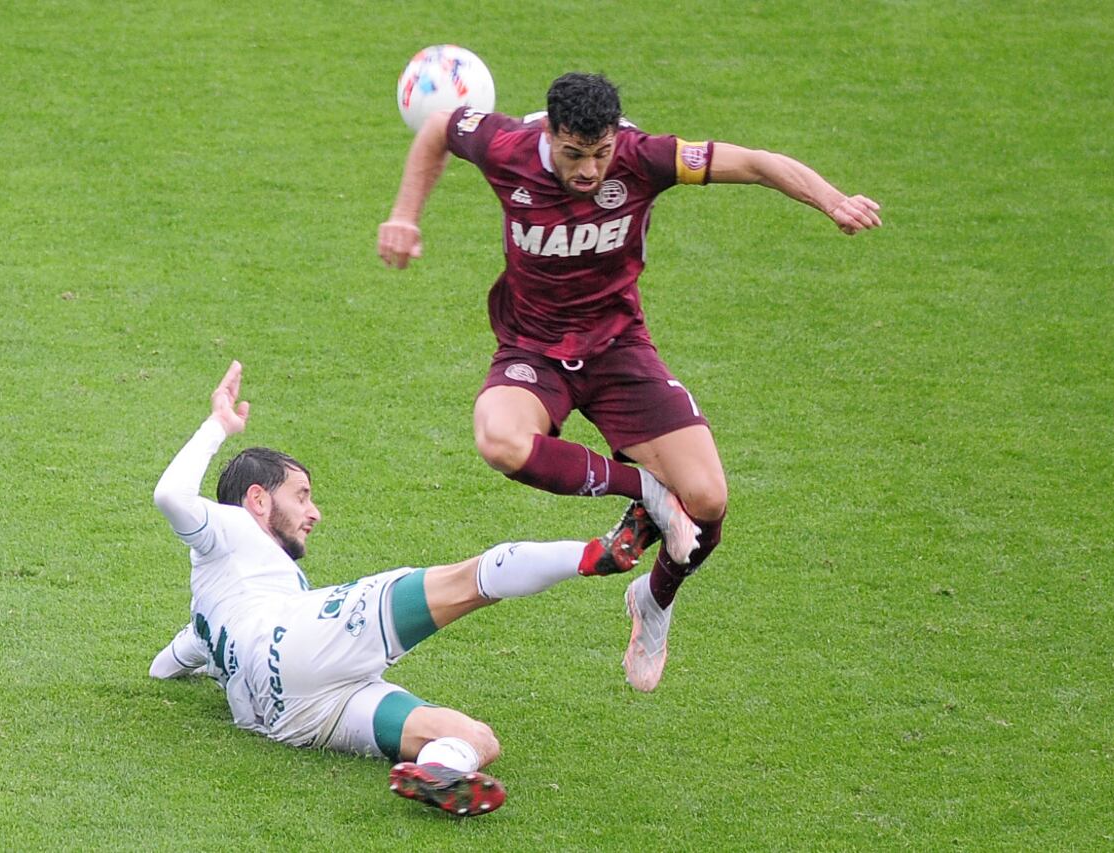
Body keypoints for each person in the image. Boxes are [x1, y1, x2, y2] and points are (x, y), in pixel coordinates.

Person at [376, 72, 882, 692]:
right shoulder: (507, 145)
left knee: (710, 501)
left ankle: (653, 603)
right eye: (573, 155)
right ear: (549, 135)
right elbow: (436, 127)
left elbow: (753, 162)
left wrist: (831, 200)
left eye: (600, 153)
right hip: (533, 350)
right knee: (499, 441)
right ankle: (646, 492)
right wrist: (404, 216)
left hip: (619, 350)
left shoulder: (645, 158)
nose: (589, 171)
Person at [149, 361, 640, 817]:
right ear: (256, 499)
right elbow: (170, 496)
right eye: (301, 496)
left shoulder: (211, 609)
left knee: (475, 737)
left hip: (288, 716)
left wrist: (176, 670)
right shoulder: (232, 526)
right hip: (292, 643)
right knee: (466, 582)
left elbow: (170, 661)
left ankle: (441, 770)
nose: (313, 512)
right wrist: (219, 424)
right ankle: (599, 551)